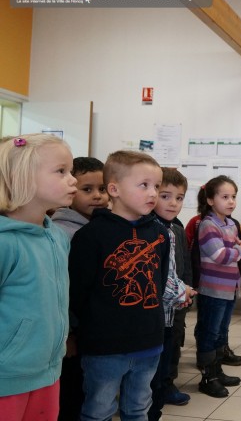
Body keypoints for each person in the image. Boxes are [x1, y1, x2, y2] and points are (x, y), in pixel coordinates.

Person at [69, 150, 169, 421]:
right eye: (144, 185)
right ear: (114, 189)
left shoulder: (160, 233)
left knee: (138, 408)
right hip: (104, 346)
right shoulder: (90, 235)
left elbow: (158, 283)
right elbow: (78, 292)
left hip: (149, 342)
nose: (153, 193)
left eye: (156, 186)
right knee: (98, 410)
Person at [0, 134, 77, 421]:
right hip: (6, 379)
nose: (73, 180)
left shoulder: (57, 236)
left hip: (47, 371)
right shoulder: (5, 243)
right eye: (61, 171)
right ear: (22, 177)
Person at [50, 156, 109, 421]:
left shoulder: (98, 228)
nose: (97, 196)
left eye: (102, 189)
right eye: (87, 190)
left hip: (92, 330)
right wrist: (69, 334)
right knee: (71, 396)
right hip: (71, 334)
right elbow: (62, 291)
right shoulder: (64, 232)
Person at [195, 175, 241, 398]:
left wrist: (238, 245)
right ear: (211, 200)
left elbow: (230, 248)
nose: (231, 201)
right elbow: (220, 255)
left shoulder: (230, 224)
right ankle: (207, 376)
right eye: (225, 197)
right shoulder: (208, 225)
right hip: (212, 289)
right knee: (209, 332)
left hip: (229, 287)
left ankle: (217, 371)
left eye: (233, 197)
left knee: (221, 331)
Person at [148, 168, 197, 419]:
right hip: (156, 309)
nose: (173, 203)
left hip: (177, 304)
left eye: (179, 198)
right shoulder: (150, 229)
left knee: (172, 347)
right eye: (166, 196)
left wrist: (186, 292)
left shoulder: (175, 227)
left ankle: (166, 386)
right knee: (153, 364)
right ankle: (152, 400)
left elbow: (184, 264)